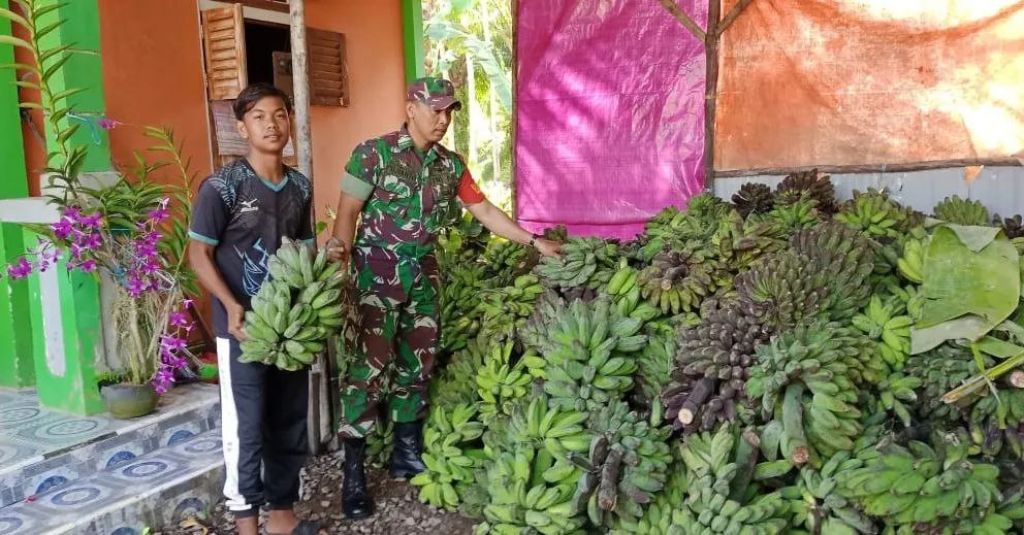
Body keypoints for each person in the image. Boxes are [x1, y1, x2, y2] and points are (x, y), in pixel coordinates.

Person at [327, 76, 561, 519]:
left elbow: (485, 210)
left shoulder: (450, 166)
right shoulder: (371, 155)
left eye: (449, 111)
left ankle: (405, 456)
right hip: (376, 279)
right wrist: (340, 269)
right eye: (435, 109)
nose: (443, 119)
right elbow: (346, 217)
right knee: (367, 369)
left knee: (418, 364)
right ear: (410, 107)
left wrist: (534, 242)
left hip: (424, 277)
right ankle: (353, 475)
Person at [188, 83, 320, 535]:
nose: (271, 123)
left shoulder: (300, 185)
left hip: (287, 327)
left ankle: (282, 517)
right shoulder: (222, 186)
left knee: (287, 419)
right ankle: (247, 526)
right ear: (242, 127)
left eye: (280, 114)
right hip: (239, 328)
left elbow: (305, 250)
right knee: (246, 426)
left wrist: (316, 291)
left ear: (289, 122)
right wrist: (230, 306)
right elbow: (198, 255)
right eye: (260, 116)